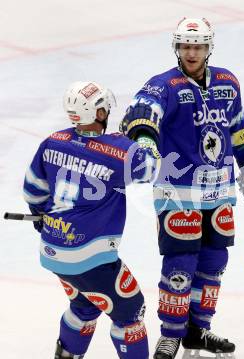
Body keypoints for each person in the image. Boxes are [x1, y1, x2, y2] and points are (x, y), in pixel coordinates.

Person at [119, 17, 244, 359]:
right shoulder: (164, 85)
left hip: (220, 191)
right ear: (177, 47)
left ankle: (198, 329)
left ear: (208, 47)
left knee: (214, 262)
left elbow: (239, 129)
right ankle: (170, 334)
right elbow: (141, 113)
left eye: (197, 46)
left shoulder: (228, 83)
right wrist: (145, 141)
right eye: (186, 46)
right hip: (177, 193)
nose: (192, 52)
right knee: (180, 263)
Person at [23, 81, 159, 358]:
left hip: (53, 251)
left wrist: (41, 217)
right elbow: (151, 168)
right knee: (130, 312)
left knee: (84, 307)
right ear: (98, 113)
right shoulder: (119, 150)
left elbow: (32, 189)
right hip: (91, 258)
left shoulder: (53, 141)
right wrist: (145, 136)